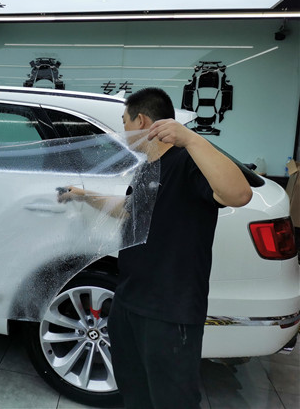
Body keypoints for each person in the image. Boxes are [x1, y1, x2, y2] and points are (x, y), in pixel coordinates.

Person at [59, 87, 252, 409]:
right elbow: (130, 210)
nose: (123, 130)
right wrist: (84, 195)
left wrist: (192, 139)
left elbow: (239, 195)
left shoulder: (188, 162)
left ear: (141, 121)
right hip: (129, 300)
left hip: (169, 311)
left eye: (124, 121)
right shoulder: (148, 167)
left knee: (172, 399)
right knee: (134, 391)